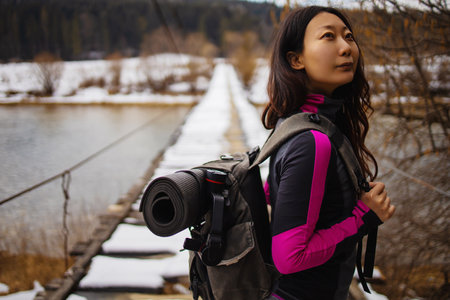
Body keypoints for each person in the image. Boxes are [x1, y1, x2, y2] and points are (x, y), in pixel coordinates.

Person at [262, 6, 396, 300]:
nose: (346, 47)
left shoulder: (294, 123)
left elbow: (276, 195)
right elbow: (290, 257)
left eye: (349, 37)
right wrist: (364, 216)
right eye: (328, 37)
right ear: (296, 59)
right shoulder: (312, 140)